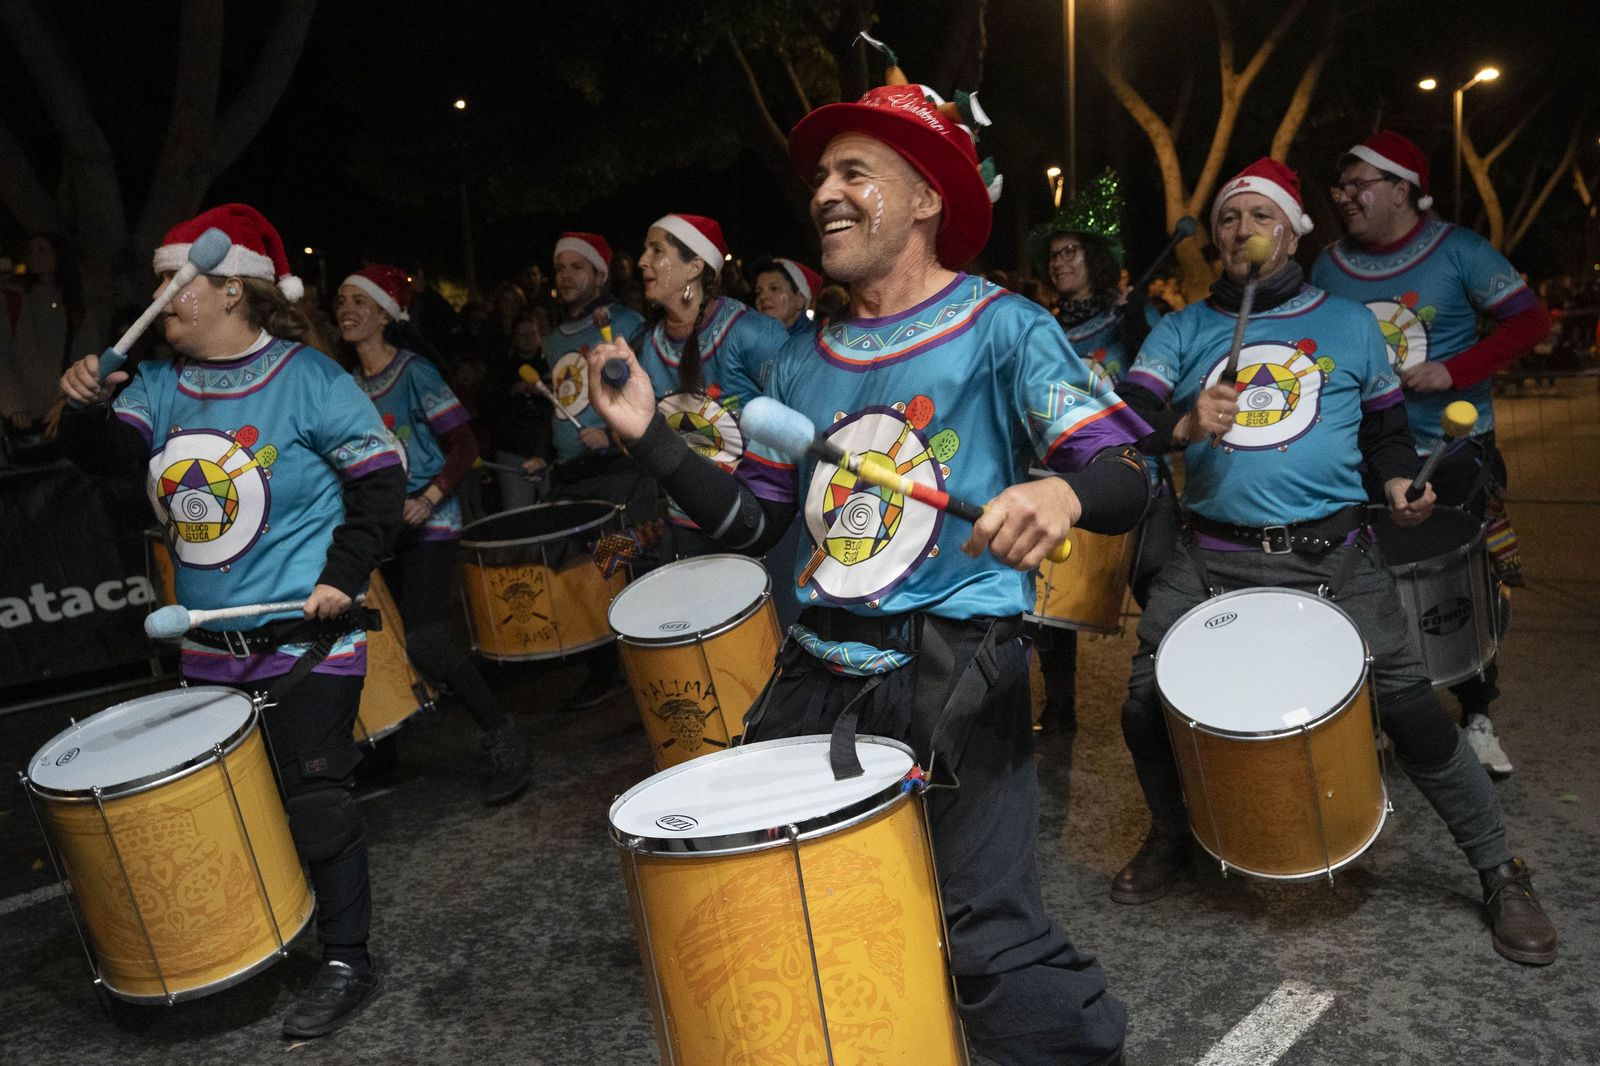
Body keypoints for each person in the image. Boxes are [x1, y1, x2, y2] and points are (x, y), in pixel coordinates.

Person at [585, 78, 1149, 1065]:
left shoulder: (999, 327)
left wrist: (1062, 494)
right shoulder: (801, 363)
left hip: (956, 668)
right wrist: (648, 443)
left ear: (928, 195)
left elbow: (1123, 472)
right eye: (819, 177)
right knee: (786, 924)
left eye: (856, 171)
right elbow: (755, 521)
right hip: (812, 673)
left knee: (990, 948)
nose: (825, 193)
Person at [1112, 160, 1557, 966]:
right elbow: (1125, 424)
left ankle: (1499, 869)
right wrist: (1180, 425)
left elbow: (1385, 430)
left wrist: (1395, 478)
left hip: (1334, 555)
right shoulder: (1180, 332)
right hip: (1211, 556)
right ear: (1215, 239)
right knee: (1143, 705)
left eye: (1259, 216)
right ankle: (1174, 834)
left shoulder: (1351, 324)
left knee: (1415, 713)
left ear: (1290, 231)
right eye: (1227, 218)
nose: (1240, 228)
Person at [56, 203, 405, 1036]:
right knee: (241, 809)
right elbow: (105, 465)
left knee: (316, 802)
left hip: (305, 635)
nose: (162, 300)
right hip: (208, 642)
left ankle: (348, 961)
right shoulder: (158, 385)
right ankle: (264, 935)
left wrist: (340, 578)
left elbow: (381, 483)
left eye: (175, 285)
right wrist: (83, 408)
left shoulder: (309, 378)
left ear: (230, 290)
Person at [1310, 131, 1550, 777]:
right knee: (1370, 585)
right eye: (1342, 187)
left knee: (1465, 580)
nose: (1346, 197)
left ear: (1401, 190)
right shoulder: (1328, 265)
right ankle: (1382, 711)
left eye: (1359, 184)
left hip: (1453, 451)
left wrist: (1455, 370)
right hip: (1363, 456)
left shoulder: (1461, 250)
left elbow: (1532, 322)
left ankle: (1476, 714)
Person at [337, 264, 531, 805]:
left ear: (383, 314)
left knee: (424, 638)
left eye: (360, 302)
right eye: (342, 302)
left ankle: (504, 736)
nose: (347, 311)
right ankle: (385, 757)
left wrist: (428, 498)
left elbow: (465, 446)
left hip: (432, 523)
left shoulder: (415, 372)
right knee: (383, 637)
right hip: (382, 531)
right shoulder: (347, 386)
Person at [1024, 171, 1165, 735]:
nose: (1059, 263)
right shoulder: (1042, 327)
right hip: (1064, 478)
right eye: (1054, 255)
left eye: (1071, 253)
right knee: (1052, 605)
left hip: (1137, 475)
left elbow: (1158, 392)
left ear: (1096, 259)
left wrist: (1136, 319)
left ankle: (1167, 703)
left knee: (1156, 592)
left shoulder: (1133, 316)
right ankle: (1060, 709)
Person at [631, 212, 789, 558]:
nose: (642, 261)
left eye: (657, 251)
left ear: (694, 267)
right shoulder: (646, 346)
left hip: (756, 528)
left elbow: (795, 425)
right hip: (687, 528)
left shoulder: (750, 333)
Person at [522, 232, 649, 521]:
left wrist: (609, 435)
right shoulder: (553, 340)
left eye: (577, 267)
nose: (566, 276)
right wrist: (543, 454)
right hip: (569, 479)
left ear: (600, 275)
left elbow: (653, 395)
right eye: (561, 268)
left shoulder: (628, 324)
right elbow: (558, 404)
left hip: (618, 475)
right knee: (574, 566)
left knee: (620, 564)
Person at [0, 233, 84, 427]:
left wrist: (69, 399)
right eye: (30, 251)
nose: (35, 255)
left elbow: (86, 352)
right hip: (25, 410)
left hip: (65, 408)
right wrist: (14, 404)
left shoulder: (75, 303)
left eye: (43, 250)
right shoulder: (15, 300)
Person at [750, 256, 823, 338]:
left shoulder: (819, 343)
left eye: (774, 288)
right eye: (758, 292)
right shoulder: (749, 341)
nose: (762, 297)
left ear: (800, 300)